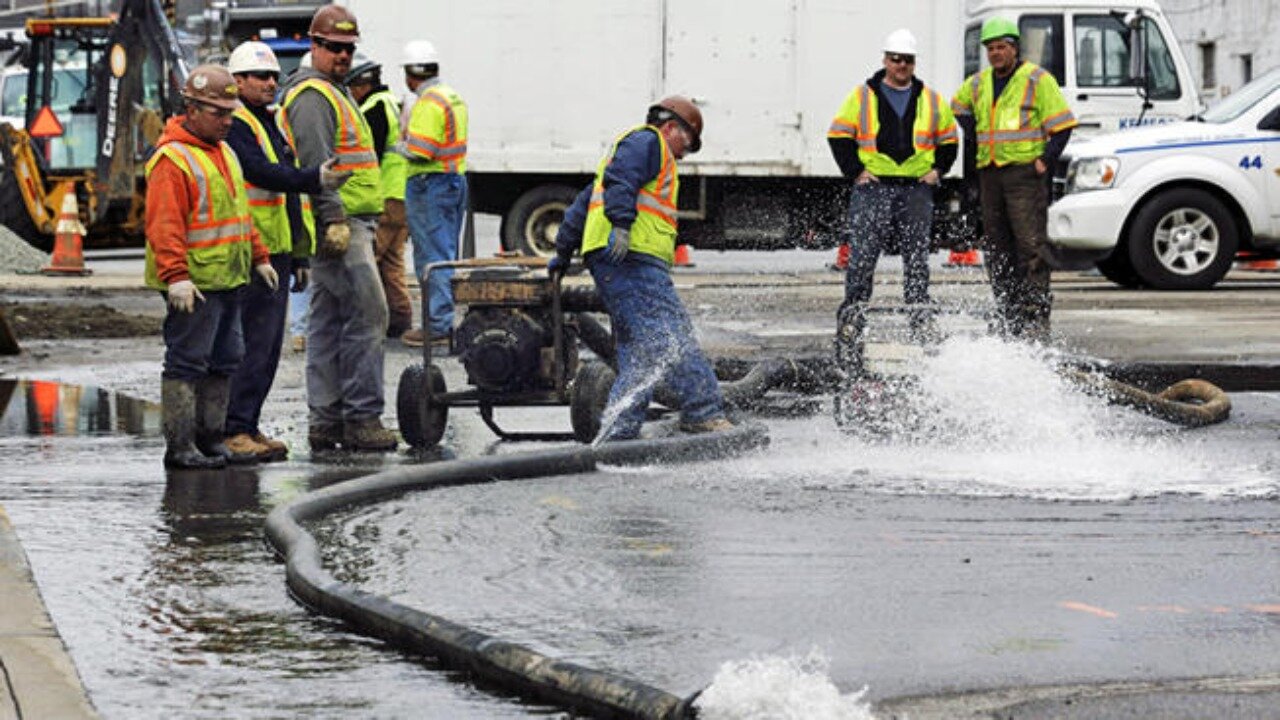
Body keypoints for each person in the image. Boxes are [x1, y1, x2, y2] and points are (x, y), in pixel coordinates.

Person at [548, 96, 732, 441]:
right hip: (630, 258)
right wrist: (621, 223)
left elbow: (584, 203)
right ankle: (703, 411)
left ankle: (619, 430)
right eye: (687, 144)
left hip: (622, 259)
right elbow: (620, 181)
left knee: (640, 349)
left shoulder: (633, 152)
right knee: (670, 336)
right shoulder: (647, 142)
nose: (684, 154)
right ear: (671, 127)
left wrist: (562, 251)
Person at [223, 40, 352, 462]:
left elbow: (286, 194)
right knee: (246, 346)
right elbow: (263, 173)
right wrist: (313, 178)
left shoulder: (268, 121)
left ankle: (248, 424)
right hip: (248, 251)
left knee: (266, 346)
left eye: (274, 76)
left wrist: (298, 255)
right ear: (238, 80)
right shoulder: (238, 124)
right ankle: (234, 428)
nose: (270, 83)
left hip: (275, 251)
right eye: (260, 76)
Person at [145, 64, 278, 469]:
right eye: (218, 113)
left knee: (226, 358)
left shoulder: (225, 153)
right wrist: (176, 277)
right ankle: (182, 445)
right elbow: (164, 225)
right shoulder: (174, 159)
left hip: (228, 278)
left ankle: (210, 438)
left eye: (230, 113)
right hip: (197, 283)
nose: (226, 120)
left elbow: (240, 213)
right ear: (192, 109)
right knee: (188, 361)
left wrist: (259, 256)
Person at [279, 4, 398, 452]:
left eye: (348, 48)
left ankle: (327, 420)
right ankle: (362, 418)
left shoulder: (333, 89)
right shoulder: (314, 96)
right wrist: (331, 219)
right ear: (315, 45)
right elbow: (317, 165)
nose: (343, 55)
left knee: (328, 321)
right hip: (341, 222)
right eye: (333, 47)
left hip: (348, 220)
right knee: (368, 316)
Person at [828, 28, 958, 343]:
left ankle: (920, 319)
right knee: (862, 256)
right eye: (896, 59)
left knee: (917, 258)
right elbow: (838, 134)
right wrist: (856, 171)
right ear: (885, 60)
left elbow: (949, 140)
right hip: (874, 188)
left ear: (914, 63)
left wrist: (938, 170)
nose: (901, 65)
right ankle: (852, 319)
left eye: (907, 60)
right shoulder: (862, 96)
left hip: (916, 188)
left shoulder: (930, 99)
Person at [951, 16, 1076, 342]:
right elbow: (958, 106)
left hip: (1023, 174)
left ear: (1014, 48)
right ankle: (1008, 314)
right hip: (990, 173)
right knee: (997, 247)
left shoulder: (1037, 79)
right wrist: (973, 133)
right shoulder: (978, 83)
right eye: (991, 48)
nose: (995, 53)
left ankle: (1034, 316)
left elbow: (1062, 125)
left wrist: (1044, 161)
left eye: (1001, 47)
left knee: (1030, 246)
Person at [398, 39, 468, 347]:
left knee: (432, 256)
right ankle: (441, 320)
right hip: (451, 180)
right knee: (445, 253)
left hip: (431, 183)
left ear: (411, 74)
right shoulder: (451, 97)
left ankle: (437, 325)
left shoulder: (428, 102)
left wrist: (398, 146)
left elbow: (421, 151)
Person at [346, 56, 415, 342]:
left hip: (386, 193)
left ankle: (365, 320)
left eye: (352, 85)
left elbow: (368, 154)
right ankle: (400, 319)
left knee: (369, 259)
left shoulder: (373, 108)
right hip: (401, 191)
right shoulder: (390, 101)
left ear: (363, 84)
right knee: (392, 261)